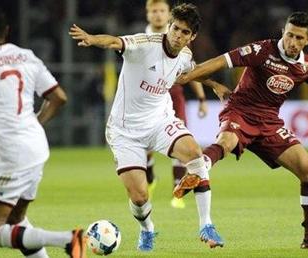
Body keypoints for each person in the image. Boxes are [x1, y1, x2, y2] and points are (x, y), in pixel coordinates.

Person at [175, 12, 308, 250]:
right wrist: (189, 77)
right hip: (240, 111)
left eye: (298, 38)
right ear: (283, 32)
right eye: (289, 35)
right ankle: (198, 168)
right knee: (226, 142)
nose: (292, 42)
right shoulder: (261, 50)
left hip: (270, 123)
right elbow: (219, 62)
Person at [69, 3, 226, 251]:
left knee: (196, 155)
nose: (178, 35)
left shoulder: (184, 56)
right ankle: (147, 229)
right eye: (175, 28)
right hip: (125, 131)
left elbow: (191, 72)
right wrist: (91, 39)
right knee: (140, 196)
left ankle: (206, 225)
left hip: (160, 122)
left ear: (192, 36)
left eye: (185, 32)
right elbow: (113, 42)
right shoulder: (145, 43)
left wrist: (214, 85)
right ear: (169, 26)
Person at [0, 5, 86, 258]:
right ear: (7, 31)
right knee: (17, 219)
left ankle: (67, 239)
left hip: (10, 155)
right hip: (37, 146)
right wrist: (36, 122)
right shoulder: (26, 56)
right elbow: (59, 97)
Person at [144, 0, 208, 209]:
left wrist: (201, 98)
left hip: (174, 95)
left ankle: (176, 192)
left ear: (168, 15)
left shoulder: (179, 36)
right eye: (154, 11)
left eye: (162, 11)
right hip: (149, 96)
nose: (158, 15)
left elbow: (191, 71)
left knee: (178, 140)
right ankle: (151, 177)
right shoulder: (144, 39)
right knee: (145, 146)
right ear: (148, 14)